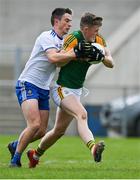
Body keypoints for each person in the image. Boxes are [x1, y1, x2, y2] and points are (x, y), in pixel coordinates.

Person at [7, 8, 94, 167]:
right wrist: (76, 53)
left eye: (70, 21)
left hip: (44, 88)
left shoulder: (65, 41)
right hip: (28, 83)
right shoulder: (46, 36)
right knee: (33, 125)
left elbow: (65, 60)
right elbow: (53, 58)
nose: (69, 24)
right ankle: (15, 159)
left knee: (40, 131)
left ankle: (16, 144)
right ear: (56, 21)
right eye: (66, 20)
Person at [27, 12, 114, 168]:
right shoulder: (73, 38)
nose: (97, 33)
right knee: (82, 114)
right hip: (62, 89)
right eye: (95, 30)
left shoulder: (99, 40)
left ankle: (35, 154)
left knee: (59, 131)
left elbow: (110, 62)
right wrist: (76, 53)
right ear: (86, 29)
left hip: (76, 92)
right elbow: (58, 63)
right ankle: (93, 148)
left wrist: (100, 57)